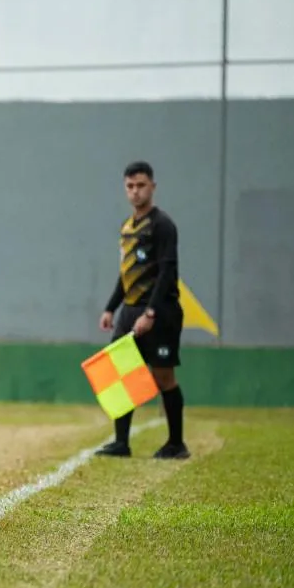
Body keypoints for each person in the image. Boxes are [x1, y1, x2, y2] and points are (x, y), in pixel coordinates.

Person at [96, 161, 190, 460]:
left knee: (163, 377)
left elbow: (167, 271)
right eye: (130, 186)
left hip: (160, 313)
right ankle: (121, 441)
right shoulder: (128, 227)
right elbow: (127, 275)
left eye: (141, 185)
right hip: (128, 313)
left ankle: (176, 443)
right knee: (119, 373)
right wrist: (111, 308)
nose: (135, 192)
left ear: (152, 187)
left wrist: (151, 313)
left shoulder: (163, 225)